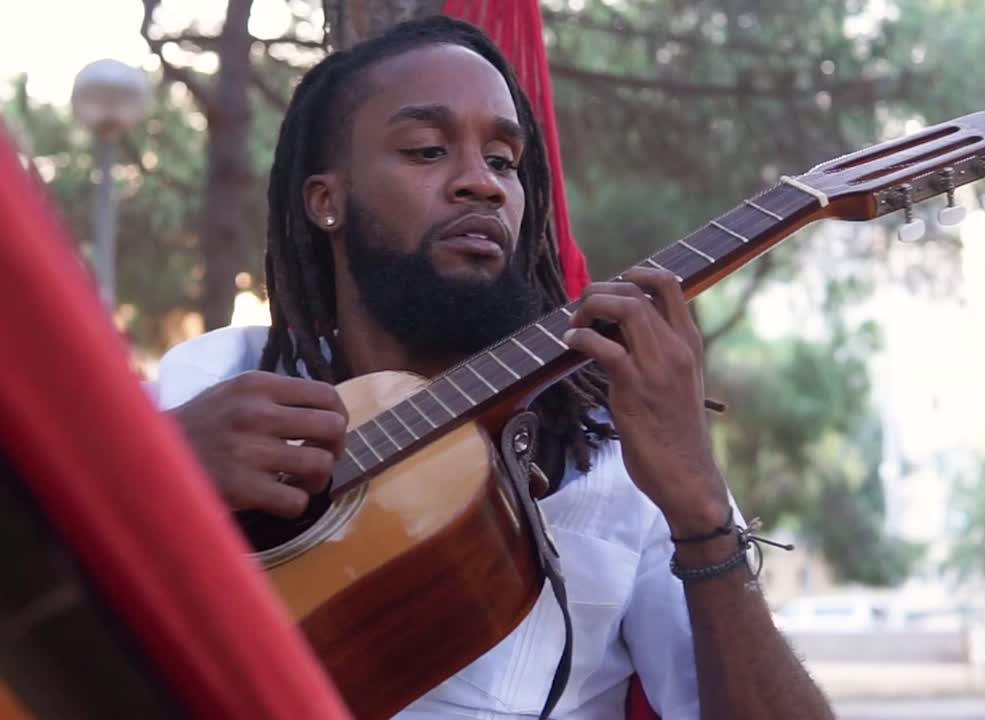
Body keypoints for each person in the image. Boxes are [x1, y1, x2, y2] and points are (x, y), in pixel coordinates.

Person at [153, 15, 834, 720]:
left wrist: (699, 508)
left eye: (505, 162)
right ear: (327, 200)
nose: (481, 184)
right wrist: (151, 475)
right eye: (425, 150)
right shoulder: (221, 380)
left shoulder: (617, 450)